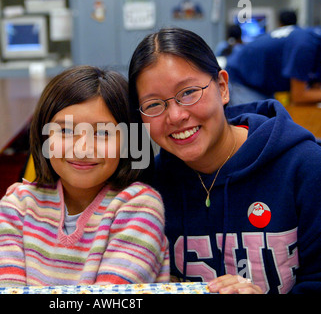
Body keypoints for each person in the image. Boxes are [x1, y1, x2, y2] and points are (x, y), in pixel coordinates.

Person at [128, 27, 321, 294]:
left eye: (188, 92)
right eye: (153, 105)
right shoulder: (148, 189)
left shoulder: (305, 166)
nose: (175, 116)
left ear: (222, 87)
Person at [0, 65, 170, 286]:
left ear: (129, 142)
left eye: (103, 133)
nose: (82, 148)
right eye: (65, 131)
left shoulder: (139, 207)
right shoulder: (18, 205)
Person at [226, 10, 321, 105]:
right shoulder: (306, 45)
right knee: (259, 117)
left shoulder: (312, 40)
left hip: (261, 84)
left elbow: (314, 88)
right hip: (241, 79)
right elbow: (299, 96)